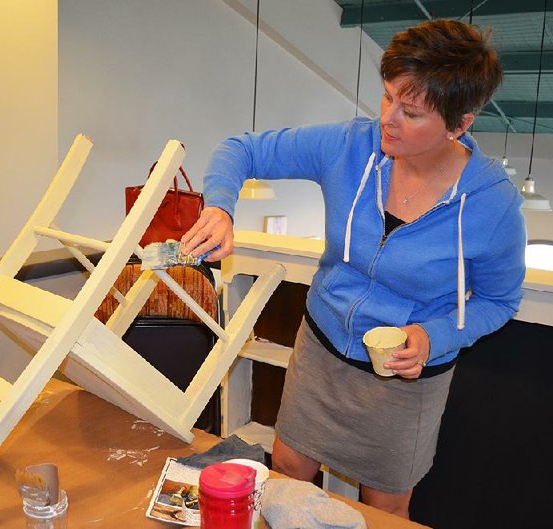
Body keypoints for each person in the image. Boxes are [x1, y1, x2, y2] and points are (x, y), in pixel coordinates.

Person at [181, 19, 526, 518]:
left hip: (405, 378)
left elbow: (499, 300)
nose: (388, 119)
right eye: (387, 98)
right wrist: (220, 206)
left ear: (460, 124)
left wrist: (434, 336)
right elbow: (242, 149)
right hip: (321, 352)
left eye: (411, 112)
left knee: (385, 507)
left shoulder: (492, 205)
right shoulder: (350, 147)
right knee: (286, 473)